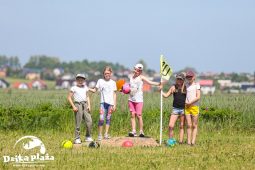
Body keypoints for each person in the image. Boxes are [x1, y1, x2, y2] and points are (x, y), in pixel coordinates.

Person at [128, 63, 161, 137]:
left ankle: (141, 131)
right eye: (137, 70)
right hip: (131, 99)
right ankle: (133, 131)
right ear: (134, 69)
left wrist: (159, 83)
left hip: (139, 99)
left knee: (139, 115)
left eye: (140, 71)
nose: (138, 72)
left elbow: (150, 82)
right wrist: (124, 90)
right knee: (132, 115)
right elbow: (129, 87)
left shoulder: (141, 77)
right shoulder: (131, 77)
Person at [89, 66, 117, 141]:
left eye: (108, 73)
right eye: (105, 73)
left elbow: (114, 94)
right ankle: (99, 135)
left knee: (108, 119)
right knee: (101, 119)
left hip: (110, 104)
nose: (107, 74)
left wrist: (115, 104)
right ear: (103, 74)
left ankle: (106, 134)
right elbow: (95, 90)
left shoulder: (113, 83)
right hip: (103, 103)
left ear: (111, 73)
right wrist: (87, 88)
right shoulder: (100, 81)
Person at [67, 74, 93, 144]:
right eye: (79, 79)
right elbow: (69, 97)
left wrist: (89, 106)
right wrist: (73, 106)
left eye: (82, 79)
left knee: (89, 121)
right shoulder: (74, 88)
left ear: (84, 80)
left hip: (85, 104)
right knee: (78, 122)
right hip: (77, 104)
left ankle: (88, 136)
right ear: (76, 80)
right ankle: (77, 138)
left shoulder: (85, 87)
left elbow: (87, 96)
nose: (80, 81)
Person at [162, 73, 186, 144]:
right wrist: (161, 91)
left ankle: (181, 142)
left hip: (183, 109)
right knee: (171, 125)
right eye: (178, 79)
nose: (179, 80)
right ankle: (171, 140)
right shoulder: (173, 87)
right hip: (175, 109)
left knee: (181, 126)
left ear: (183, 80)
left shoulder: (185, 88)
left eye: (180, 79)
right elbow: (166, 95)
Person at [185, 70, 201, 146]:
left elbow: (198, 96)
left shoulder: (197, 85)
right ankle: (188, 142)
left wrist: (190, 102)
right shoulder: (186, 85)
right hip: (187, 107)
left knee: (194, 125)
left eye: (190, 77)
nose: (189, 78)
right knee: (189, 125)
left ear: (194, 77)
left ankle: (193, 142)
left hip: (194, 106)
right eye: (187, 77)